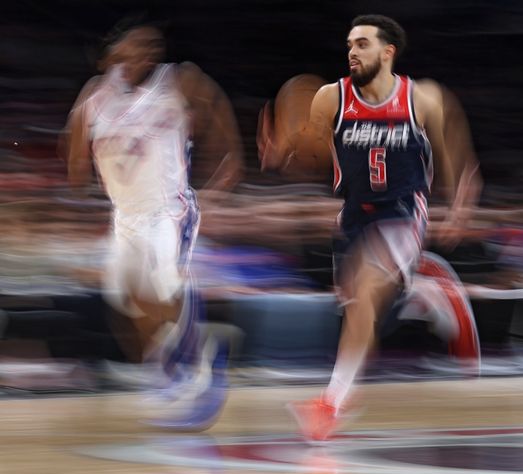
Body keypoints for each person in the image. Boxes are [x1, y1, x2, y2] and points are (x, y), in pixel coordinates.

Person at [271, 14, 481, 441]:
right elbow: (314, 156)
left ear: (388, 52)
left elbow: (451, 153)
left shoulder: (421, 98)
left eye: (363, 44)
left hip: (402, 211)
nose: (352, 51)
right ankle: (425, 294)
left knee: (365, 291)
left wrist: (461, 197)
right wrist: (285, 149)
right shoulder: (330, 98)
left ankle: (330, 405)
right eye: (350, 43)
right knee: (363, 316)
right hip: (354, 213)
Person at [65, 15, 243, 429]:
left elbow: (219, 116)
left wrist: (227, 172)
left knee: (161, 287)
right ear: (113, 50)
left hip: (169, 207)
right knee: (125, 297)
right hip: (124, 213)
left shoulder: (178, 80)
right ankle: (173, 361)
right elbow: (75, 156)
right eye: (139, 42)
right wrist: (80, 183)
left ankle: (199, 360)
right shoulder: (94, 97)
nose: (150, 51)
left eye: (155, 45)